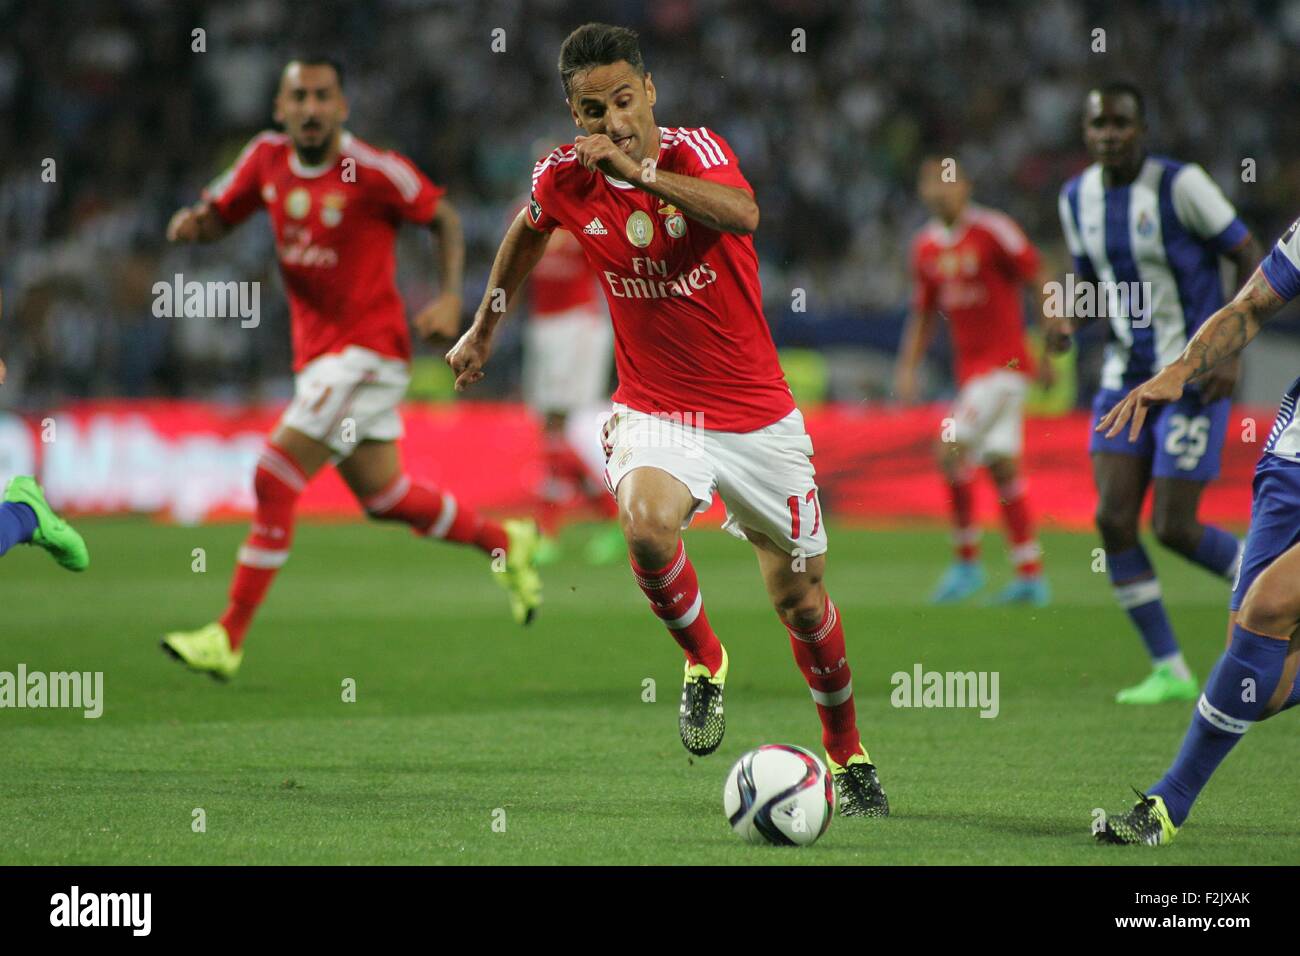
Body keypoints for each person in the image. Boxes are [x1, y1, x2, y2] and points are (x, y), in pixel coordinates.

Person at [446, 23, 888, 815]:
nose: (611, 119)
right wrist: (486, 325)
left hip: (757, 415)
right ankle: (705, 659)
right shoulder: (564, 179)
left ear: (649, 92)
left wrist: (642, 176)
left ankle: (849, 755)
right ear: (573, 114)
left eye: (623, 99)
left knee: (803, 601)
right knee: (646, 527)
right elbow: (526, 230)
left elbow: (743, 215)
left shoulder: (696, 152)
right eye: (591, 110)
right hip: (659, 408)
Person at [161, 57, 540, 681]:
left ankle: (227, 636)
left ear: (342, 107)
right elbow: (220, 211)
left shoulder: (371, 170)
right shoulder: (263, 159)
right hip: (318, 360)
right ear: (280, 110)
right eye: (299, 97)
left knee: (274, 476)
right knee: (385, 497)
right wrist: (196, 225)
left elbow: (441, 215)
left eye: (323, 97)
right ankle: (504, 542)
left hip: (369, 352)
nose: (311, 108)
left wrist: (450, 298)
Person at [1051, 82, 1261, 704]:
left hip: (1191, 376)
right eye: (1098, 125)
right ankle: (1170, 667)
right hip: (1124, 379)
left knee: (1174, 525)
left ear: (1141, 129)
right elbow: (1093, 280)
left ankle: (1277, 581)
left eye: (1120, 123)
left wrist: (1232, 351)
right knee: (1113, 518)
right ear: (1085, 133)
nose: (1109, 134)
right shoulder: (1076, 197)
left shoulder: (1181, 185)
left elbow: (1247, 253)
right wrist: (1067, 316)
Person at [1094, 215, 1300, 844]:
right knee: (1257, 686)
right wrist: (1182, 369)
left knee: (1266, 608)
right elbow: (1251, 305)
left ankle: (1164, 808)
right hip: (1291, 461)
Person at [896, 156, 1053, 605]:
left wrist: (1050, 341)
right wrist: (907, 367)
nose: (940, 191)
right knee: (1002, 464)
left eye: (948, 181)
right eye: (931, 183)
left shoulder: (993, 230)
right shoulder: (925, 247)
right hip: (974, 375)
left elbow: (1039, 277)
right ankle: (1030, 574)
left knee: (949, 445)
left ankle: (967, 564)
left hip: (1004, 369)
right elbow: (924, 312)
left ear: (966, 186)